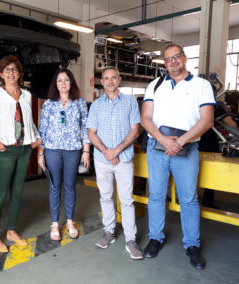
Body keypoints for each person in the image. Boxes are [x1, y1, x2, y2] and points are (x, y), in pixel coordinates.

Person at [141, 44, 215, 270]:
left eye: (176, 57)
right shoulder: (155, 85)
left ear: (184, 58)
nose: (172, 61)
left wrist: (179, 142)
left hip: (188, 149)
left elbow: (207, 120)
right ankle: (155, 238)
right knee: (156, 195)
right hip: (157, 148)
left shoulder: (202, 85)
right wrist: (164, 141)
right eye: (168, 59)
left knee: (189, 199)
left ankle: (192, 245)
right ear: (164, 63)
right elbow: (146, 118)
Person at [0, 55, 41, 253]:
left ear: (20, 73)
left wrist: (36, 138)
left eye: (14, 69)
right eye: (7, 70)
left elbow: (28, 121)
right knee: (0, 195)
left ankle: (12, 231)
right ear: (1, 74)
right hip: (4, 150)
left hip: (24, 149)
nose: (11, 72)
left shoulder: (27, 95)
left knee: (17, 193)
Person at [86, 67, 143, 260]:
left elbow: (135, 130)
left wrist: (116, 151)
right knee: (106, 197)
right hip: (102, 160)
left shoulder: (130, 102)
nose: (110, 81)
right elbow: (91, 133)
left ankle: (130, 239)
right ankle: (109, 232)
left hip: (124, 159)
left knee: (127, 200)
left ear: (119, 79)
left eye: (113, 78)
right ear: (101, 81)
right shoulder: (96, 105)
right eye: (106, 78)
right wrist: (106, 152)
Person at [37, 69, 90, 242]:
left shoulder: (80, 102)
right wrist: (40, 153)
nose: (63, 83)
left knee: (70, 186)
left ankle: (69, 221)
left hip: (73, 150)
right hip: (52, 150)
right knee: (54, 186)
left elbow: (85, 127)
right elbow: (42, 130)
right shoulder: (49, 104)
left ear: (71, 82)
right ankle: (54, 223)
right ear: (56, 84)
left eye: (66, 79)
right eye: (60, 80)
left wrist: (86, 150)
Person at [199, 102, 237, 208]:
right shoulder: (215, 106)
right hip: (209, 144)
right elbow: (232, 125)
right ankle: (207, 201)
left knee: (189, 173)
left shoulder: (191, 102)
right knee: (210, 174)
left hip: (190, 142)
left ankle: (190, 198)